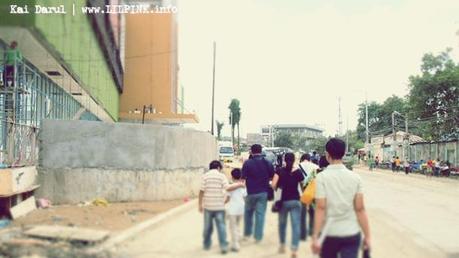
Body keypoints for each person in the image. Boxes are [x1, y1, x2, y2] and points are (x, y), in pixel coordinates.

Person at [311, 138, 371, 258]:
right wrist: (367, 236)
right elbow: (360, 209)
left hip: (329, 234)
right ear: (343, 154)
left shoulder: (321, 178)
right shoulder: (355, 178)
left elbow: (321, 208)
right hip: (351, 233)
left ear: (327, 155)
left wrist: (315, 237)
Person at [199, 160, 243, 254]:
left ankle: (206, 244)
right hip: (219, 206)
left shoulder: (205, 176)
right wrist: (239, 185)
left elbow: (201, 191)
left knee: (207, 227)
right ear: (218, 168)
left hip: (208, 206)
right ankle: (223, 246)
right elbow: (227, 188)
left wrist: (200, 204)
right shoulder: (221, 176)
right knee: (221, 226)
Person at [272, 152, 304, 258]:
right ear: (294, 160)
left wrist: (278, 188)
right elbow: (303, 185)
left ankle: (282, 245)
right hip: (295, 201)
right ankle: (294, 249)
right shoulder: (298, 172)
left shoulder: (279, 171)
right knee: (295, 225)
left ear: (284, 160)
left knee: (282, 224)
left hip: (283, 201)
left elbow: (273, 185)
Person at [241, 144, 275, 243]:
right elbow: (272, 176)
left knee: (248, 213)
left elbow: (243, 178)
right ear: (261, 151)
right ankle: (258, 237)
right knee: (260, 215)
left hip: (250, 192)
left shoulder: (247, 163)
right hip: (263, 192)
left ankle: (247, 234)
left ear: (251, 151)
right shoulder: (267, 162)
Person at [298, 153, 319, 241]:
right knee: (313, 212)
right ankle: (312, 230)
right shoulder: (316, 166)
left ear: (301, 159)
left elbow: (297, 181)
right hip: (313, 192)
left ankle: (303, 234)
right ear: (309, 159)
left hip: (302, 192)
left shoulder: (298, 167)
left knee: (302, 214)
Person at [227, 168, 247, 252]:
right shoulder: (243, 186)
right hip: (241, 207)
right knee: (238, 224)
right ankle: (238, 236)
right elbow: (245, 196)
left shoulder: (230, 187)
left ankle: (235, 244)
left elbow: (227, 198)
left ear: (232, 177)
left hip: (233, 208)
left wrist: (222, 203)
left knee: (232, 226)